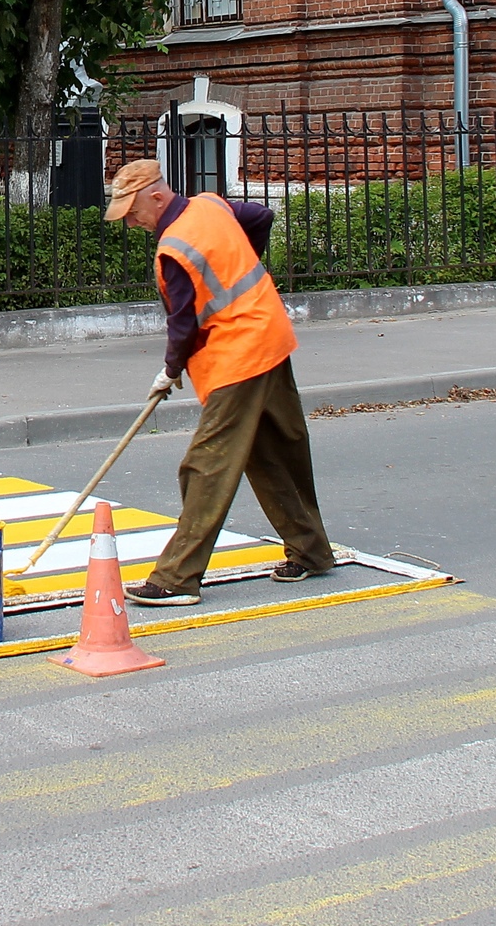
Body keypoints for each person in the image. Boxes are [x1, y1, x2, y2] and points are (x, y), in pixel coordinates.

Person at [104, 158, 335, 605]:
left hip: (238, 357)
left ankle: (175, 578)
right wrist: (248, 265)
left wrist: (171, 370)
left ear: (156, 195)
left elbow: (183, 324)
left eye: (133, 211)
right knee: (276, 450)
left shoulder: (174, 247)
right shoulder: (210, 206)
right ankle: (311, 552)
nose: (131, 222)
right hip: (270, 335)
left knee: (207, 463)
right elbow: (262, 216)